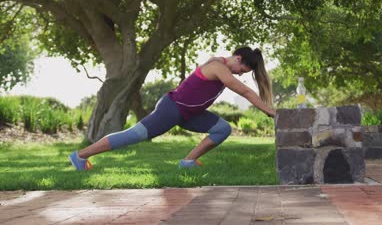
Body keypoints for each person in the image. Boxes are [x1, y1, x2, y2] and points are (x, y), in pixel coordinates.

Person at [68, 46, 275, 170]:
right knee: (134, 135)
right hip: (172, 109)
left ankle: (188, 162)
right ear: (237, 58)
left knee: (223, 129)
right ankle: (80, 156)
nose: (239, 74)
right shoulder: (218, 66)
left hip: (190, 114)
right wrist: (270, 111)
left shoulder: (224, 68)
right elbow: (245, 92)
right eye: (241, 70)